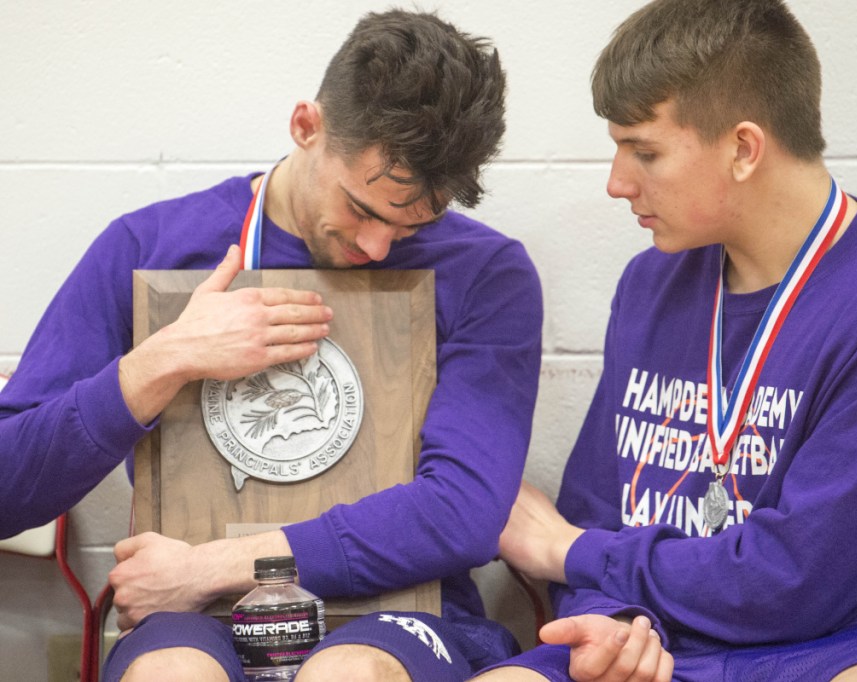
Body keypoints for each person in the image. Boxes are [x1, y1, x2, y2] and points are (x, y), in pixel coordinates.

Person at [480, 1, 857, 681]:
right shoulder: (652, 282)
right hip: (658, 625)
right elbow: (597, 517)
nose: (618, 183)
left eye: (643, 151)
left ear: (742, 148)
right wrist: (617, 622)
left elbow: (802, 579)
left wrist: (571, 554)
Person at [0, 9, 542, 682]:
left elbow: (462, 513)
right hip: (191, 617)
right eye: (364, 209)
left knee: (349, 675)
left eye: (413, 226)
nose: (376, 246)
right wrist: (161, 362)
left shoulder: (487, 273)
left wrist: (208, 566)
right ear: (306, 127)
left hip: (401, 614)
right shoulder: (150, 248)